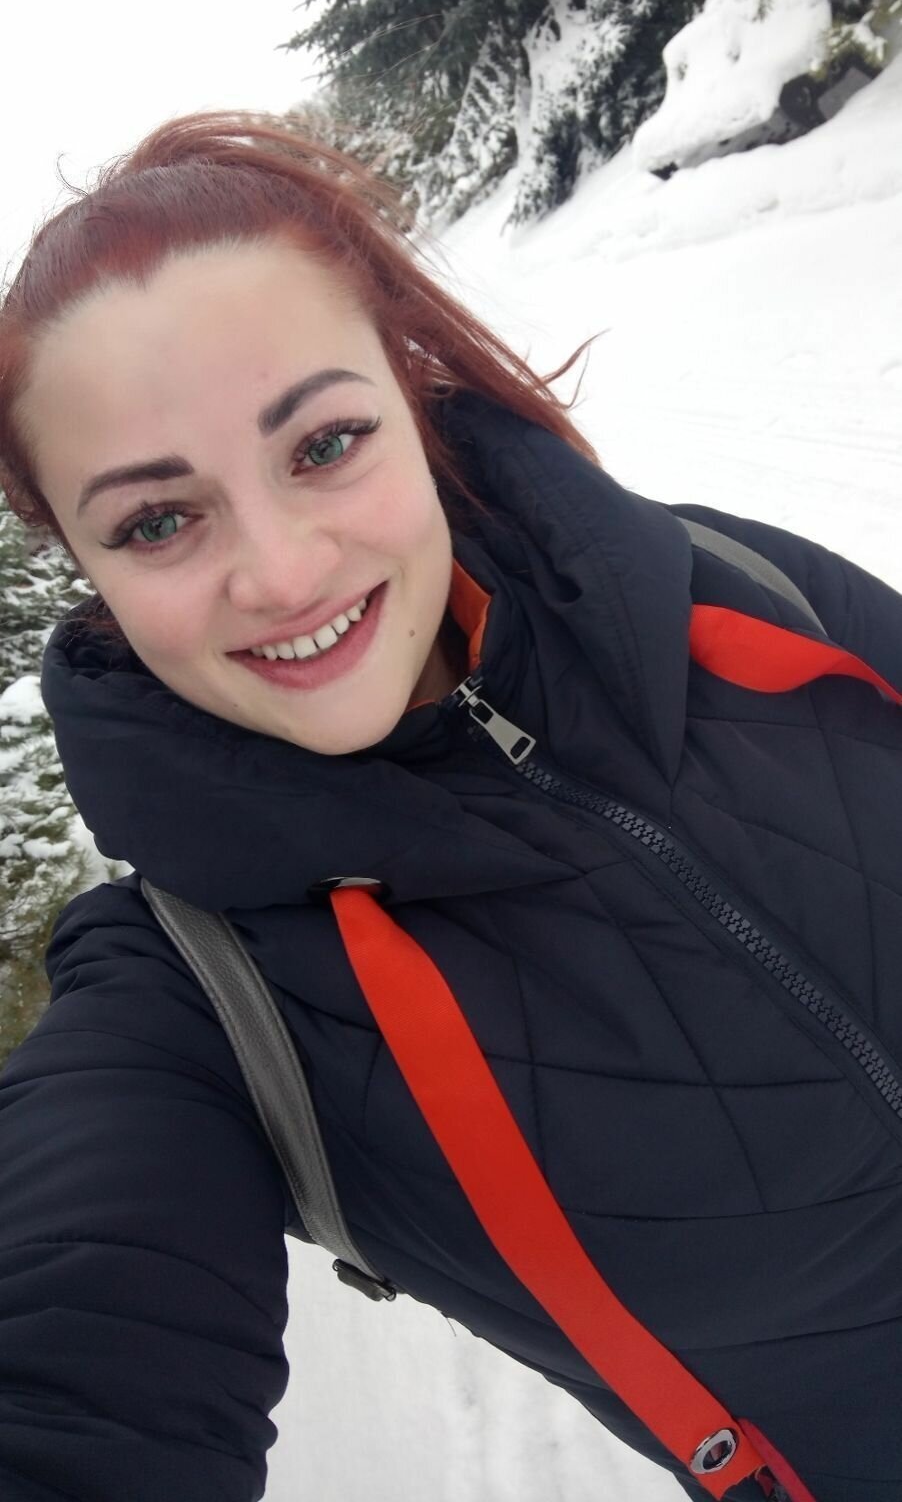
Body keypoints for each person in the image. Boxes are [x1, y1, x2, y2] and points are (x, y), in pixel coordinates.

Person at [0, 110, 900, 1502]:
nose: (283, 574)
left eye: (324, 443)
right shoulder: (201, 1000)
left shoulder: (726, 591)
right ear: (85, 565)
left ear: (409, 403)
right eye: (157, 521)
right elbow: (71, 1359)